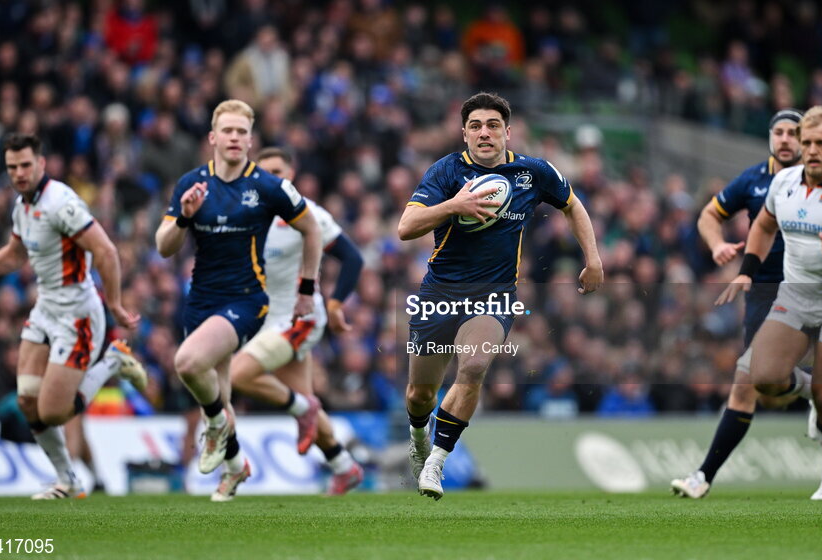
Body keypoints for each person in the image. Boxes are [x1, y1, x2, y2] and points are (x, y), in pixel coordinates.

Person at [397, 92, 603, 500]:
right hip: (440, 292)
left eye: (493, 125)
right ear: (464, 134)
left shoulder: (534, 172)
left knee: (474, 366)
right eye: (475, 126)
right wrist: (454, 204)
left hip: (494, 294)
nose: (484, 133)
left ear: (508, 132)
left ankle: (437, 461)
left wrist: (593, 259)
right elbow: (406, 227)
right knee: (420, 395)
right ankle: (419, 433)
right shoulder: (446, 171)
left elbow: (573, 205)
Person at [672, 110, 822, 499]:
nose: (785, 140)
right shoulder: (756, 180)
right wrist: (720, 247)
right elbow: (710, 216)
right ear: (770, 138)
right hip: (768, 292)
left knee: (749, 385)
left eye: (793, 134)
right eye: (778, 133)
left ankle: (702, 476)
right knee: (761, 384)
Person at [0, 133, 146, 499]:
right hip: (46, 309)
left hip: (77, 314)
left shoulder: (61, 204)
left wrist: (114, 304)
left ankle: (113, 361)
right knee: (26, 400)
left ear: (41, 164)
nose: (19, 173)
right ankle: (68, 480)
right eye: (12, 168)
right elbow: (13, 255)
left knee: (54, 413)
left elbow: (106, 250)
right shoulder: (22, 207)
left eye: (25, 165)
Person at [155, 99, 321, 502]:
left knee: (188, 362)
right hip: (201, 300)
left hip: (246, 300)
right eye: (227, 131)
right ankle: (234, 468)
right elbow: (164, 247)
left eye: (242, 132)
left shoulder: (267, 186)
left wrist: (306, 289)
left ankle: (212, 424)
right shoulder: (191, 184)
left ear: (251, 140)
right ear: (213, 137)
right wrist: (184, 217)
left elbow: (311, 230)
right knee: (221, 394)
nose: (234, 138)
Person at [229, 147, 366, 496]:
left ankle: (306, 410)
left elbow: (351, 258)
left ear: (292, 173)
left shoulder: (307, 214)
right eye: (266, 171)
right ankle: (343, 466)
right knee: (301, 399)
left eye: (279, 171)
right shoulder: (246, 214)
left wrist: (335, 304)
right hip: (265, 319)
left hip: (298, 317)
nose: (274, 178)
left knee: (238, 375)